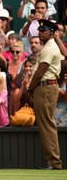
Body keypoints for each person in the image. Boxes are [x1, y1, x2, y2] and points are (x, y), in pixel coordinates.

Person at [27, 19, 62, 170]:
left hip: (46, 87)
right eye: (40, 31)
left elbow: (40, 72)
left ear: (52, 33)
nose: (40, 33)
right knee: (47, 124)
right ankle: (53, 161)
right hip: (45, 88)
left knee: (47, 125)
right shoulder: (48, 46)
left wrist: (29, 89)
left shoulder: (49, 47)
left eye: (44, 31)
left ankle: (54, 162)